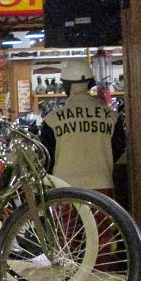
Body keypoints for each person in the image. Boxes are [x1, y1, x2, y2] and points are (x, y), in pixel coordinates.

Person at [39, 59, 125, 195]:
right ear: (91, 83)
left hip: (65, 189)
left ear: (66, 85)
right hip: (103, 188)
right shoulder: (111, 117)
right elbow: (119, 148)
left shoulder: (52, 119)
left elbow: (46, 156)